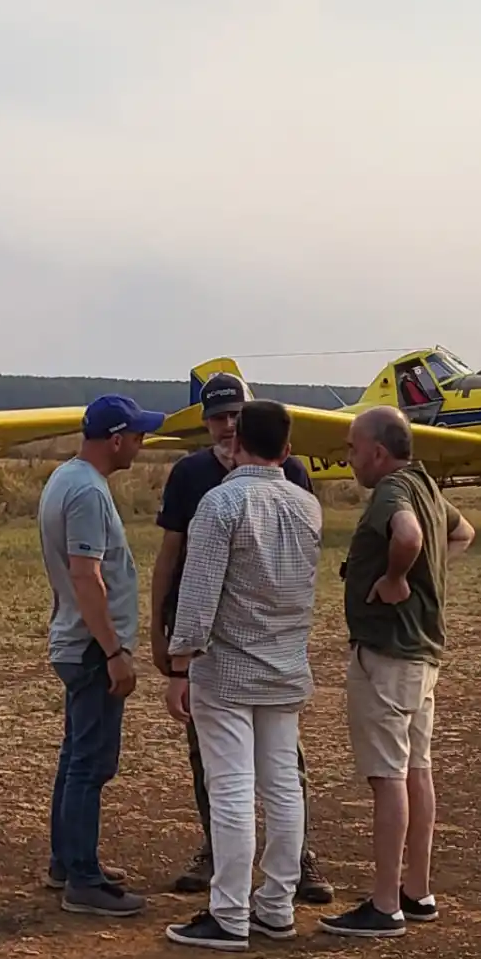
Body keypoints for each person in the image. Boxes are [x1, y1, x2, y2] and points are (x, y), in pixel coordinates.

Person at [150, 372, 333, 904]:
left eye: (236, 417)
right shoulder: (193, 477)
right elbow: (174, 561)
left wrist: (184, 661)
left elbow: (250, 577)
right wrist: (162, 633)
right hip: (255, 653)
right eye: (218, 417)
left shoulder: (251, 492)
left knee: (260, 775)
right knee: (225, 767)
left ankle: (256, 891)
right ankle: (253, 882)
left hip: (241, 655)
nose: (227, 426)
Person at [319, 405, 475, 938]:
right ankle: (417, 889)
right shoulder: (427, 485)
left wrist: (394, 579)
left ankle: (385, 903)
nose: (350, 457)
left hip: (387, 653)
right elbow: (463, 533)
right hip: (420, 655)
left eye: (353, 448)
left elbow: (406, 537)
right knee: (417, 771)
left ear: (378, 452)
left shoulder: (392, 492)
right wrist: (427, 577)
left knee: (388, 778)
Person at [38, 392, 166, 918]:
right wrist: (114, 650)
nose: (140, 443)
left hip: (74, 639)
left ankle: (68, 861)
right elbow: (86, 576)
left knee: (76, 757)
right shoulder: (89, 494)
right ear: (115, 439)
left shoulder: (65, 479)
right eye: (136, 434)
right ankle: (83, 881)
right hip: (91, 647)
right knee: (91, 762)